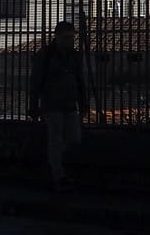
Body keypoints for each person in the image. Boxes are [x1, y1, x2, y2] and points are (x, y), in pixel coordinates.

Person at [28, 20, 88, 191]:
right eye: (67, 38)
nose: (70, 41)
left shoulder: (74, 55)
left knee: (74, 138)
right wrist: (34, 105)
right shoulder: (46, 55)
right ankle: (58, 175)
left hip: (70, 103)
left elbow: (80, 80)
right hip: (52, 103)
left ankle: (54, 161)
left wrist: (83, 103)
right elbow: (36, 81)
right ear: (58, 37)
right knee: (55, 137)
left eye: (72, 38)